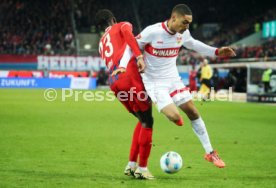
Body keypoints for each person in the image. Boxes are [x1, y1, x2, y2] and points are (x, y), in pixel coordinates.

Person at [120, 4, 236, 168]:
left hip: (173, 79)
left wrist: (216, 52)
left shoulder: (183, 33)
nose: (187, 26)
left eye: (189, 23)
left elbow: (194, 44)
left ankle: (210, 153)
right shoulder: (152, 31)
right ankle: (175, 116)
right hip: (154, 82)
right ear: (174, 18)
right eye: (184, 22)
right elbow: (130, 47)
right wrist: (124, 65)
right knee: (174, 116)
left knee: (193, 111)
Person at [95, 9, 154, 180]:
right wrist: (139, 56)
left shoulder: (101, 42)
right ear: (113, 19)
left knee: (142, 120)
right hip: (128, 76)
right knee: (148, 120)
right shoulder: (122, 25)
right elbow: (129, 35)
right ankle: (142, 168)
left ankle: (131, 165)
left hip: (114, 83)